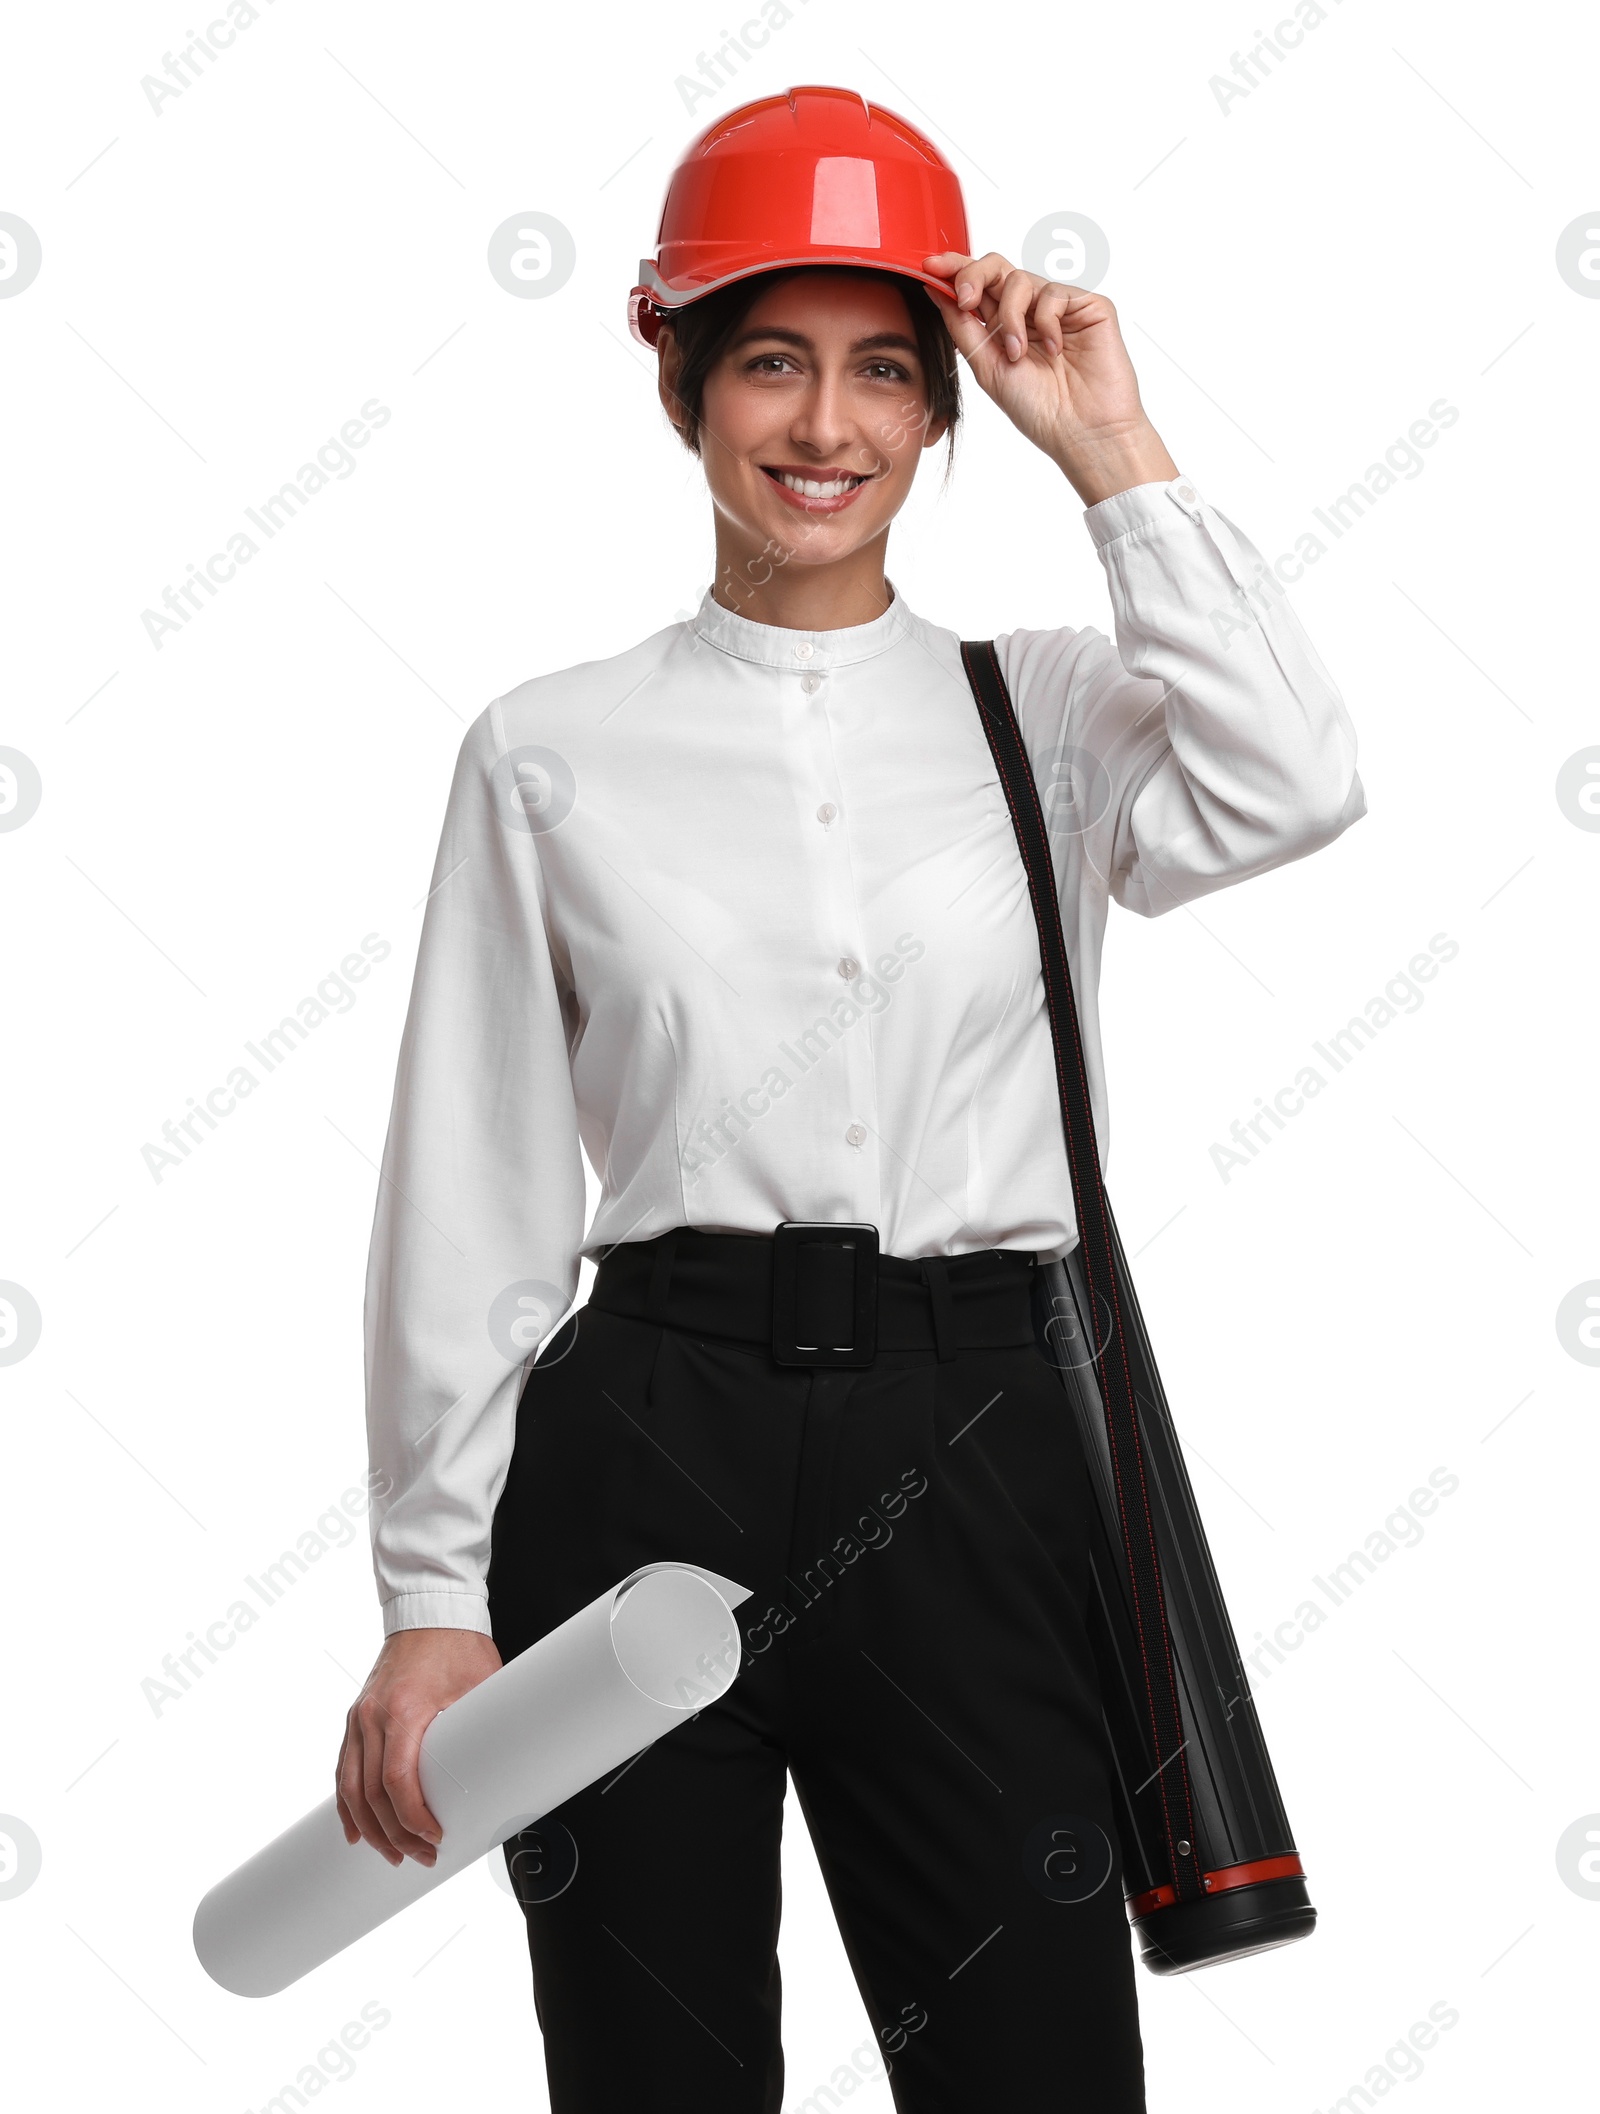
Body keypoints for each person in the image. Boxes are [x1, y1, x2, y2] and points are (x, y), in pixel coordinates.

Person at [334, 85, 1364, 2113]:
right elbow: (470, 1177)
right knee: (653, 2073)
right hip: (644, 1446)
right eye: (773, 363)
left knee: (1030, 2068)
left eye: (882, 374)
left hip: (971, 1441)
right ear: (680, 381)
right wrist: (429, 1595)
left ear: (938, 406)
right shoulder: (549, 749)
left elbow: (1292, 779)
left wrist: (1111, 452)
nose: (823, 429)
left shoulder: (1055, 709)